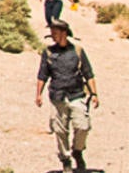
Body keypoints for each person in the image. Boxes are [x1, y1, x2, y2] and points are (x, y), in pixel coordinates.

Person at [34, 20, 98, 173]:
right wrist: (38, 94)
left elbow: (88, 73)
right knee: (60, 131)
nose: (53, 36)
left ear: (64, 32)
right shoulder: (48, 52)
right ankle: (66, 159)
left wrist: (94, 93)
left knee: (83, 126)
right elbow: (42, 75)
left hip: (77, 94)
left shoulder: (77, 50)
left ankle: (78, 150)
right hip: (58, 96)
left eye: (55, 32)